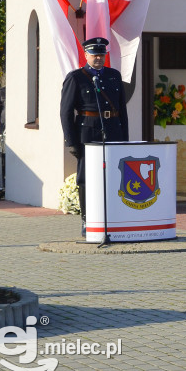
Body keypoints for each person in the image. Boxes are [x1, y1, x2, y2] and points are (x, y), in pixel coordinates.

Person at [60, 37, 130, 235]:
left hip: (113, 131)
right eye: (94, 54)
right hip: (87, 134)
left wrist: (124, 138)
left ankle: (114, 218)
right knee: (87, 179)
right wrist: (71, 141)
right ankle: (87, 220)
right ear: (86, 55)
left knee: (115, 176)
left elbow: (122, 110)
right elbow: (65, 112)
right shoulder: (76, 77)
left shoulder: (114, 76)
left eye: (102, 54)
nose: (98, 58)